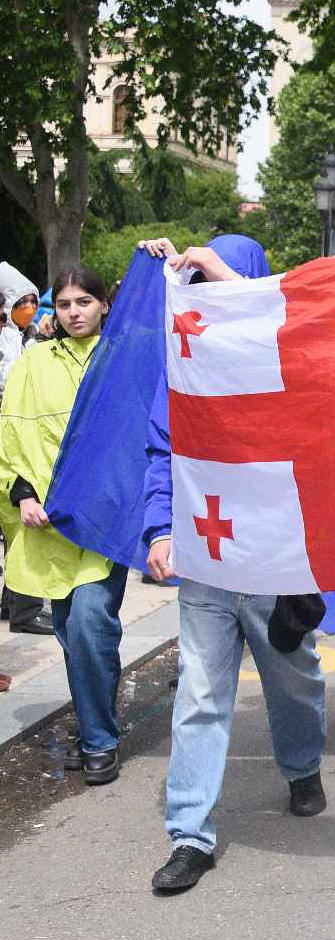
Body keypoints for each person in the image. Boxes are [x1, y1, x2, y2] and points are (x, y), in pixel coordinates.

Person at [135, 235, 331, 895]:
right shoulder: (183, 360)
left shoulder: (284, 353)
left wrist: (238, 289)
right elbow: (161, 450)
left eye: (229, 282)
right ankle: (190, 835)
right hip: (207, 561)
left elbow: (315, 372)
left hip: (274, 562)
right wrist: (161, 528)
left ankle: (303, 767)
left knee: (293, 678)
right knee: (199, 695)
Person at [0, 266, 129, 784]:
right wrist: (21, 491)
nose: (74, 312)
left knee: (90, 623)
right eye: (65, 304)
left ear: (103, 305)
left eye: (84, 302)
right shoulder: (33, 362)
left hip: (108, 522)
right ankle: (98, 722)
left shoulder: (124, 358)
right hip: (50, 525)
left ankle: (99, 739)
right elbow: (12, 430)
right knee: (73, 634)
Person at [1, 271, 53, 635]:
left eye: (33, 301)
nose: (30, 309)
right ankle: (24, 609)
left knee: (20, 526)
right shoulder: (9, 340)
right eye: (21, 303)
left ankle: (16, 602)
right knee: (20, 526)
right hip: (9, 442)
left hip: (16, 438)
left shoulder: (27, 337)